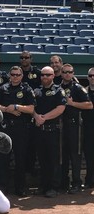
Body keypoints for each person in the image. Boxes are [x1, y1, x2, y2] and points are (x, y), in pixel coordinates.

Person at [0, 66, 35, 197]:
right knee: (3, 159)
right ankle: (2, 187)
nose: (15, 77)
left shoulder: (27, 89)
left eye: (18, 74)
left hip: (21, 128)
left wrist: (17, 107)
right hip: (5, 127)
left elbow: (31, 109)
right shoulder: (3, 88)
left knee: (20, 159)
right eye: (13, 74)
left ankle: (20, 188)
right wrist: (7, 109)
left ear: (22, 76)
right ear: (9, 75)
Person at [33, 66, 66, 198]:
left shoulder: (59, 90)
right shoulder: (36, 91)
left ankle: (54, 187)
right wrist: (36, 117)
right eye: (43, 75)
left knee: (53, 160)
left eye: (48, 75)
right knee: (42, 159)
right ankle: (44, 186)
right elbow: (31, 106)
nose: (45, 77)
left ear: (53, 76)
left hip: (53, 131)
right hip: (39, 131)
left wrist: (43, 118)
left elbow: (60, 109)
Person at [60, 63, 93, 194]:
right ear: (61, 73)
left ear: (73, 73)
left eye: (70, 72)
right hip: (61, 125)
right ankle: (63, 182)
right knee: (62, 156)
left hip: (75, 125)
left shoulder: (78, 88)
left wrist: (72, 103)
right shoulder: (57, 87)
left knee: (75, 155)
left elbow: (89, 105)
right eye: (65, 72)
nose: (67, 74)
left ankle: (76, 182)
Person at [19, 51, 41, 178]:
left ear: (31, 59)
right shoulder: (17, 73)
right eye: (22, 58)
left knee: (33, 145)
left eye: (26, 57)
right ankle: (23, 172)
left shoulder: (37, 73)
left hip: (34, 113)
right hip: (20, 114)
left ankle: (31, 170)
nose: (24, 59)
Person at [82, 67, 94, 189]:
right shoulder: (84, 91)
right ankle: (89, 180)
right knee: (89, 156)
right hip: (88, 128)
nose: (92, 78)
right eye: (90, 76)